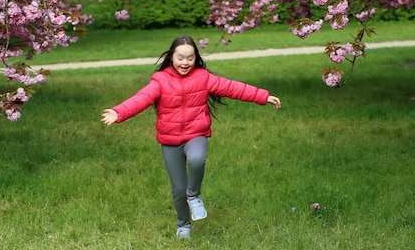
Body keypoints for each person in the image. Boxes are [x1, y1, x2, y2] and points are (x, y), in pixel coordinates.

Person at [101, 35, 281, 239]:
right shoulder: (160, 80)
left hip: (196, 134)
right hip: (170, 141)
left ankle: (193, 195)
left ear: (196, 58)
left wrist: (262, 96)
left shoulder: (203, 78)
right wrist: (119, 112)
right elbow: (141, 98)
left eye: (190, 58)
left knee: (197, 159)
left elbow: (232, 88)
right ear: (171, 57)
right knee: (178, 190)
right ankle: (183, 225)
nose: (185, 63)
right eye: (180, 58)